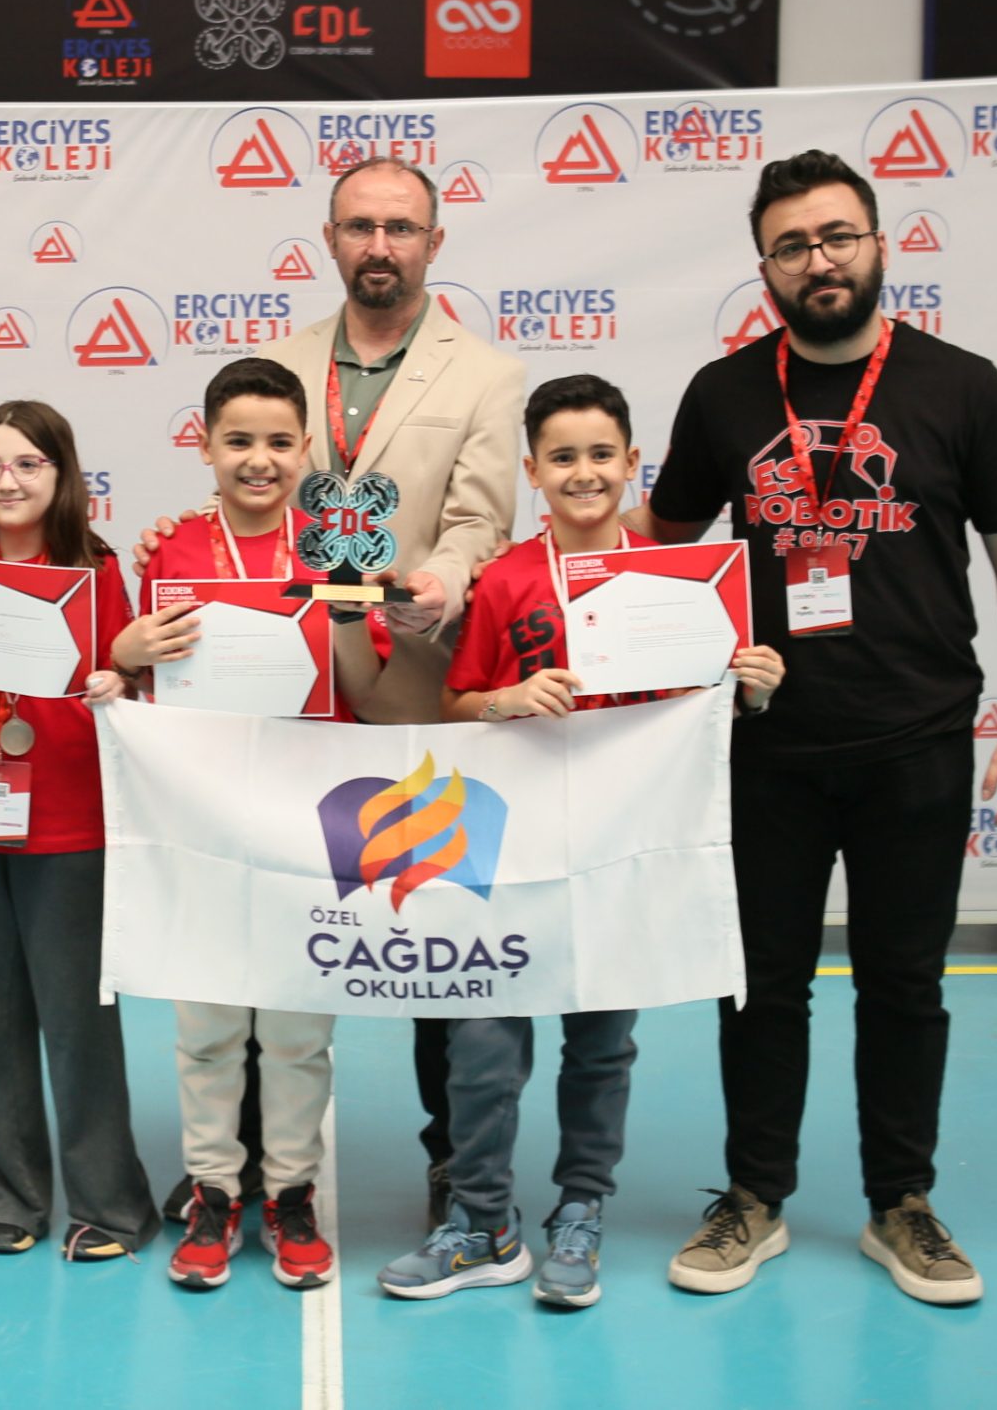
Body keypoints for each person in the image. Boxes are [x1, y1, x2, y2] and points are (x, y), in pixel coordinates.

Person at [646, 150, 997, 1306]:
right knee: (760, 987)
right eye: (790, 245)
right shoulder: (723, 394)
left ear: (880, 245)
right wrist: (552, 572)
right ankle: (754, 1197)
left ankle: (901, 1205)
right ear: (765, 269)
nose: (816, 260)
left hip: (915, 740)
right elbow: (661, 544)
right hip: (765, 743)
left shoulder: (959, 386)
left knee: (904, 984)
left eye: (835, 236)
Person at [138, 155, 524, 1227]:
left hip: (415, 684)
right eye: (359, 226)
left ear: (433, 242)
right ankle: (238, 1169)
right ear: (330, 238)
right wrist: (177, 540)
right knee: (264, 925)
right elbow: (247, 497)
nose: (379, 245)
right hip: (286, 697)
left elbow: (480, 522)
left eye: (400, 227)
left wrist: (445, 580)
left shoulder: (486, 376)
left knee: (433, 939)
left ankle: (453, 1162)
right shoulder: (286, 361)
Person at [375, 375, 784, 1305]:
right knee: (482, 1040)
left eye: (602, 454)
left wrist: (753, 689)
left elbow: (706, 712)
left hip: (619, 851)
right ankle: (482, 1222)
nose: (584, 472)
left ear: (634, 462)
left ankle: (581, 1209)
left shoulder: (685, 580)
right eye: (562, 457)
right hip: (514, 852)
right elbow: (456, 703)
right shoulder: (507, 577)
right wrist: (507, 699)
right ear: (532, 471)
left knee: (601, 1043)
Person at [116, 358, 352, 1292]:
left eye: (280, 442)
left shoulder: (334, 549)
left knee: (296, 1030)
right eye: (239, 441)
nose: (260, 459)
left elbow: (367, 683)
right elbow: (143, 679)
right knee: (208, 1026)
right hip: (203, 820)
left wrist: (355, 608)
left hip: (305, 820)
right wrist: (130, 650)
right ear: (206, 445)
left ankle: (291, 1192)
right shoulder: (172, 550)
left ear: (306, 449)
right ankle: (214, 1190)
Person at [0, 401, 161, 1263]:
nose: (7, 480)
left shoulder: (96, 569)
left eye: (28, 463)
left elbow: (129, 678)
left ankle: (110, 1204)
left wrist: (117, 681)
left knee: (78, 1021)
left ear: (62, 474)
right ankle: (6, 1196)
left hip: (69, 815)